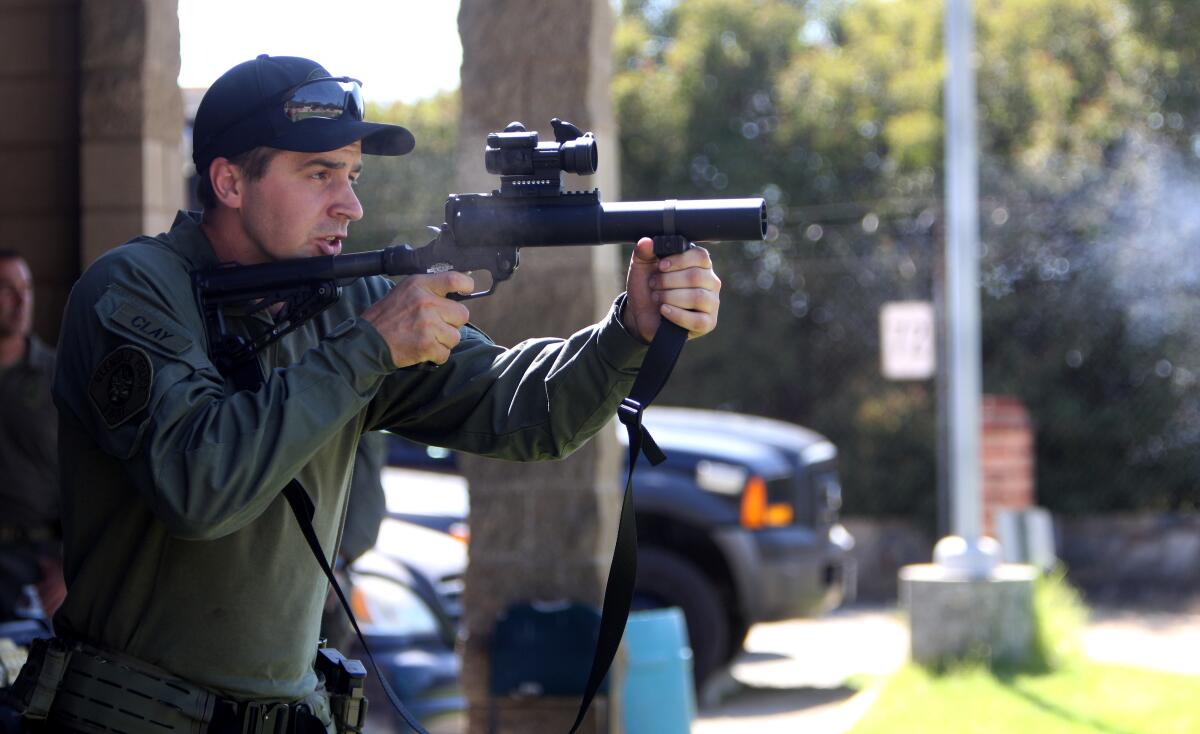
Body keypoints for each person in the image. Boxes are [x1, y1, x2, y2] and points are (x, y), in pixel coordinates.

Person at [11, 55, 721, 732]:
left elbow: (522, 411)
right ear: (229, 182)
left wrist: (629, 329)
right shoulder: (131, 290)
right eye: (320, 173)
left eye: (352, 174)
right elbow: (199, 486)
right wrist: (368, 348)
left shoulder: (343, 302)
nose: (349, 203)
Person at [0, 251, 64, 624]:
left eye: (26, 288)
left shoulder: (58, 375)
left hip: (40, 568)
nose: (23, 300)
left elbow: (91, 479)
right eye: (7, 289)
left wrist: (71, 567)